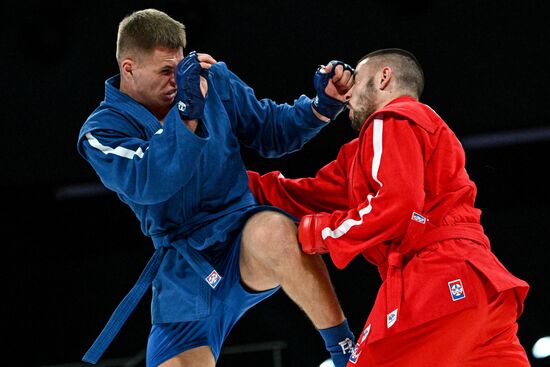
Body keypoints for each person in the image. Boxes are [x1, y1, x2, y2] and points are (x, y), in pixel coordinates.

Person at [76, 8, 357, 367]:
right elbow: (149, 180)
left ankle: (346, 354)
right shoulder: (101, 131)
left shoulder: (210, 81)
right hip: (183, 270)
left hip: (239, 235)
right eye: (165, 72)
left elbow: (269, 130)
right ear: (128, 68)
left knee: (276, 229)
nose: (177, 81)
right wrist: (187, 113)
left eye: (179, 68)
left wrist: (321, 106)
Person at [248, 48, 531, 367]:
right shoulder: (364, 154)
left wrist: (314, 233)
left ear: (384, 77)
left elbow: (396, 208)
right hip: (482, 287)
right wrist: (226, 181)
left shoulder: (392, 118)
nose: (349, 90)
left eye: (356, 79)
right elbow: (302, 197)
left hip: (437, 277)